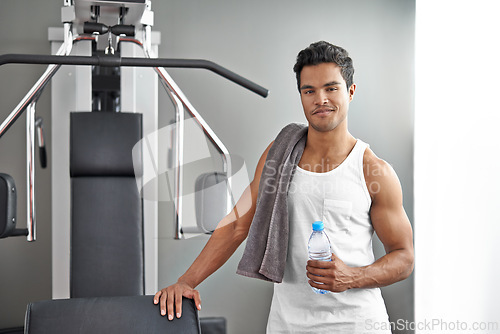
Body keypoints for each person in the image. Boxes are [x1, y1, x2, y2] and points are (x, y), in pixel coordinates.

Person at [154, 41, 414, 333]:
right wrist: (186, 282)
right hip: (287, 323)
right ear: (301, 96)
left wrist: (351, 277)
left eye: (331, 88)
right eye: (309, 91)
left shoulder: (373, 170)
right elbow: (238, 223)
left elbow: (404, 257)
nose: (320, 99)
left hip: (355, 324)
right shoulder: (280, 154)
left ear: (350, 92)